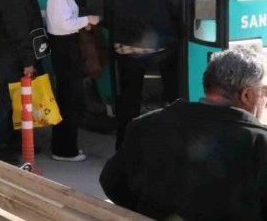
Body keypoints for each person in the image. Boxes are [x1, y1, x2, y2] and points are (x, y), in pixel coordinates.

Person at [100, 48, 267, 220]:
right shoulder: (260, 144)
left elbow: (111, 183)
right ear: (247, 95)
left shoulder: (145, 125)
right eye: (265, 92)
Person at [109, 0, 180, 149]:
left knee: (129, 96)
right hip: (156, 50)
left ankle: (124, 144)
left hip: (124, 48)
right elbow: (178, 13)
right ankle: (169, 121)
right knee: (173, 71)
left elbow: (109, 11)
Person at [0, 0, 45, 163]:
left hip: (13, 56)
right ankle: (1, 147)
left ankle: (13, 141)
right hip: (11, 57)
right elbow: (19, 31)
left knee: (15, 101)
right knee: (6, 100)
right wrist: (28, 61)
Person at [45, 0, 100, 161]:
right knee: (69, 101)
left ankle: (67, 147)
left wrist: (82, 23)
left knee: (70, 99)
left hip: (67, 51)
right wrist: (88, 20)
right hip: (65, 52)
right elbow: (64, 24)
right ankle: (64, 150)